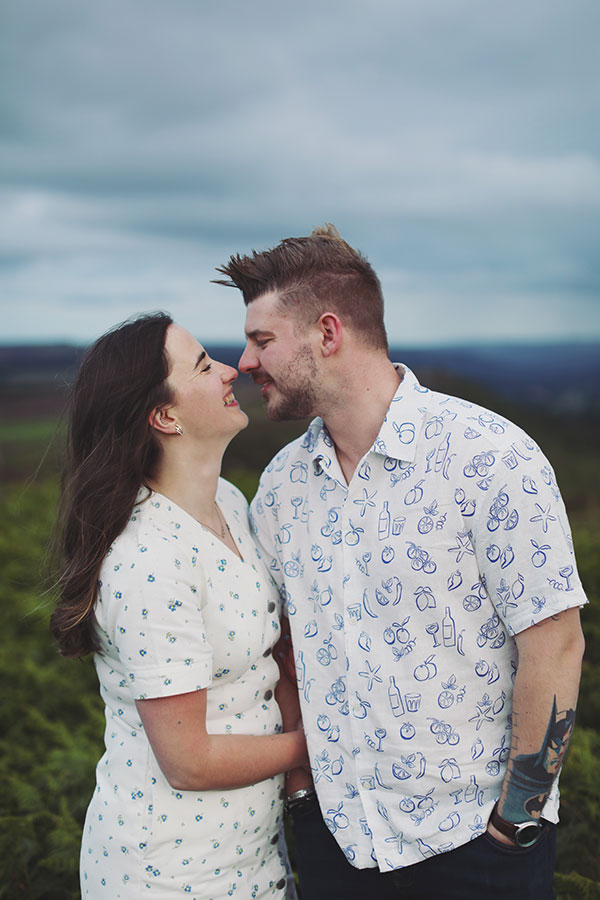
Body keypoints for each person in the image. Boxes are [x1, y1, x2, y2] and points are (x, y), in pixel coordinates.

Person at [214, 225, 587, 900]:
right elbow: (286, 648)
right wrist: (302, 793)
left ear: (328, 333)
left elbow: (555, 642)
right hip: (338, 846)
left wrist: (520, 818)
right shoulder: (280, 487)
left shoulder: (491, 457)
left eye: (262, 340)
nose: (243, 361)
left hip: (478, 846)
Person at [50, 312, 307, 899]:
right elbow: (188, 760)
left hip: (255, 857)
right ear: (165, 416)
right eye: (201, 365)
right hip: (169, 874)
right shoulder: (146, 561)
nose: (229, 370)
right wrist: (322, 741)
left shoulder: (230, 501)